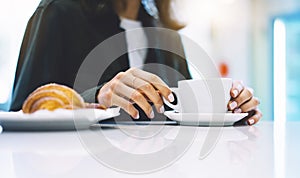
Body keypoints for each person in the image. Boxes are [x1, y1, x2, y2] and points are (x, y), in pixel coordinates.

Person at [10, 0, 262, 125]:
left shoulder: (166, 35)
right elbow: (21, 114)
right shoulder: (58, 12)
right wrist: (97, 98)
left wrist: (229, 107)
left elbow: (183, 114)